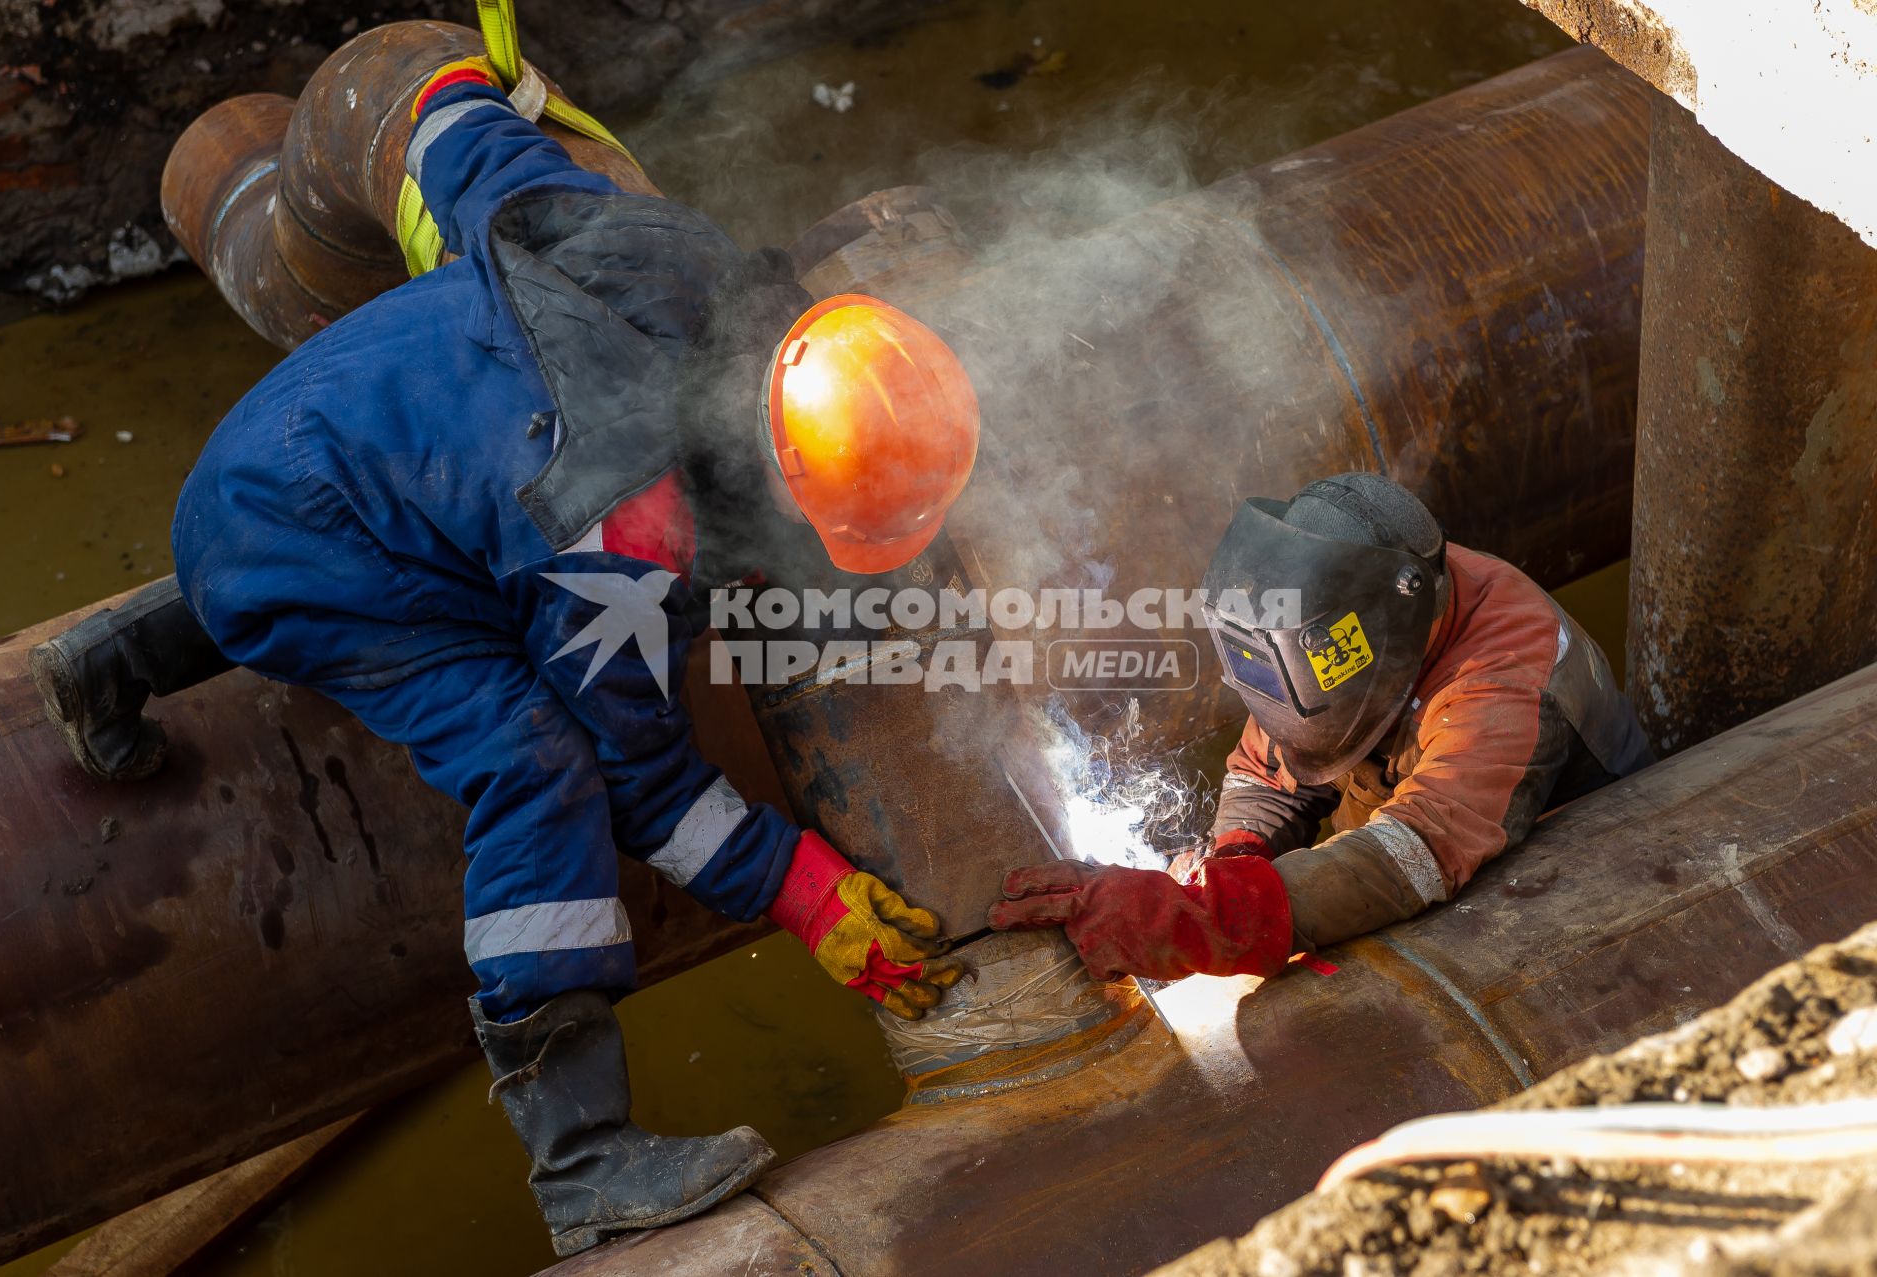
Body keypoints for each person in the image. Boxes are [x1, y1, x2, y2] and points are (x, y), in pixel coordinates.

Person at [151, 56, 977, 1256]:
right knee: (537, 761)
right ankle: (583, 1156)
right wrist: (799, 887)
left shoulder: (669, 256)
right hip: (304, 542)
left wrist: (446, 92)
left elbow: (491, 168)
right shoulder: (624, 538)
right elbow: (643, 778)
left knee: (443, 547)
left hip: (314, 434)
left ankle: (112, 663)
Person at [989, 472, 1652, 982]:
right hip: (1432, 849)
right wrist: (1238, 856)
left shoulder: (1503, 681)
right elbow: (1268, 766)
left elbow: (1410, 857)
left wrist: (1206, 921)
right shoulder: (1345, 608)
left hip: (1580, 903)